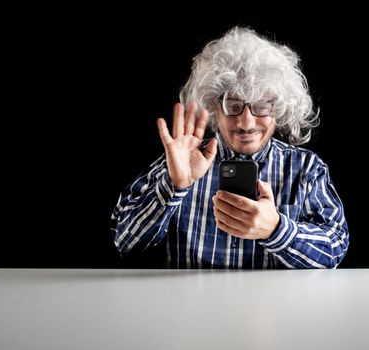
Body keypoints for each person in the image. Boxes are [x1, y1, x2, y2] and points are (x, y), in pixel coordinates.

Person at [111, 27, 349, 269]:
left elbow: (335, 248)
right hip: (192, 305)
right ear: (215, 105)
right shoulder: (181, 161)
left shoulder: (306, 168)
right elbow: (125, 243)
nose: (246, 123)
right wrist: (173, 187)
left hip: (278, 306)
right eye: (233, 105)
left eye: (262, 106)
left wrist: (276, 229)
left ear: (278, 108)